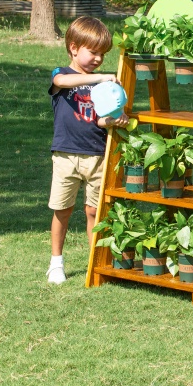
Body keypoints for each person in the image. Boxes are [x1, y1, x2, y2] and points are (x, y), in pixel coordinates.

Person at [47, 16, 129, 285]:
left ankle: (95, 262)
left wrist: (114, 120)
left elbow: (99, 119)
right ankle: (56, 263)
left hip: (96, 154)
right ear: (73, 48)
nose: (98, 58)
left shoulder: (101, 86)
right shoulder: (61, 73)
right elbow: (61, 82)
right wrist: (101, 77)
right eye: (93, 52)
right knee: (63, 209)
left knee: (94, 211)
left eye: (102, 55)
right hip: (66, 155)